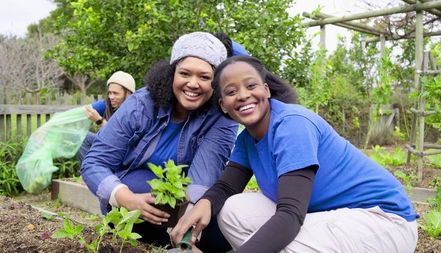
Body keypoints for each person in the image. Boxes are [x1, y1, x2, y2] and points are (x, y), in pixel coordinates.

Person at [170, 56, 419, 253]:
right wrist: (204, 203)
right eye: (231, 91)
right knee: (233, 210)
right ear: (223, 105)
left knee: (283, 241)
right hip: (327, 217)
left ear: (266, 90)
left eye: (251, 85)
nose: (243, 95)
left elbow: (289, 216)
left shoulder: (292, 124)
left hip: (383, 222)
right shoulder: (247, 139)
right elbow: (226, 186)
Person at [81, 32, 247, 252]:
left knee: (219, 233)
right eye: (185, 73)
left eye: (205, 77)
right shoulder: (142, 104)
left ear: (216, 82)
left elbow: (202, 178)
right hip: (136, 193)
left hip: (187, 196)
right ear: (171, 74)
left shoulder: (221, 116)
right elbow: (94, 163)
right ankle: (154, 240)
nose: (193, 84)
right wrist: (127, 198)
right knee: (143, 198)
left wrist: (189, 231)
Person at [76, 71, 136, 161]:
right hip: (109, 148)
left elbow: (119, 138)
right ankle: (90, 170)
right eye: (110, 93)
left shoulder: (135, 112)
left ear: (128, 93)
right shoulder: (108, 104)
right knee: (81, 137)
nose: (111, 97)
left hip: (127, 153)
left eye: (115, 93)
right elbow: (83, 111)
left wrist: (99, 120)